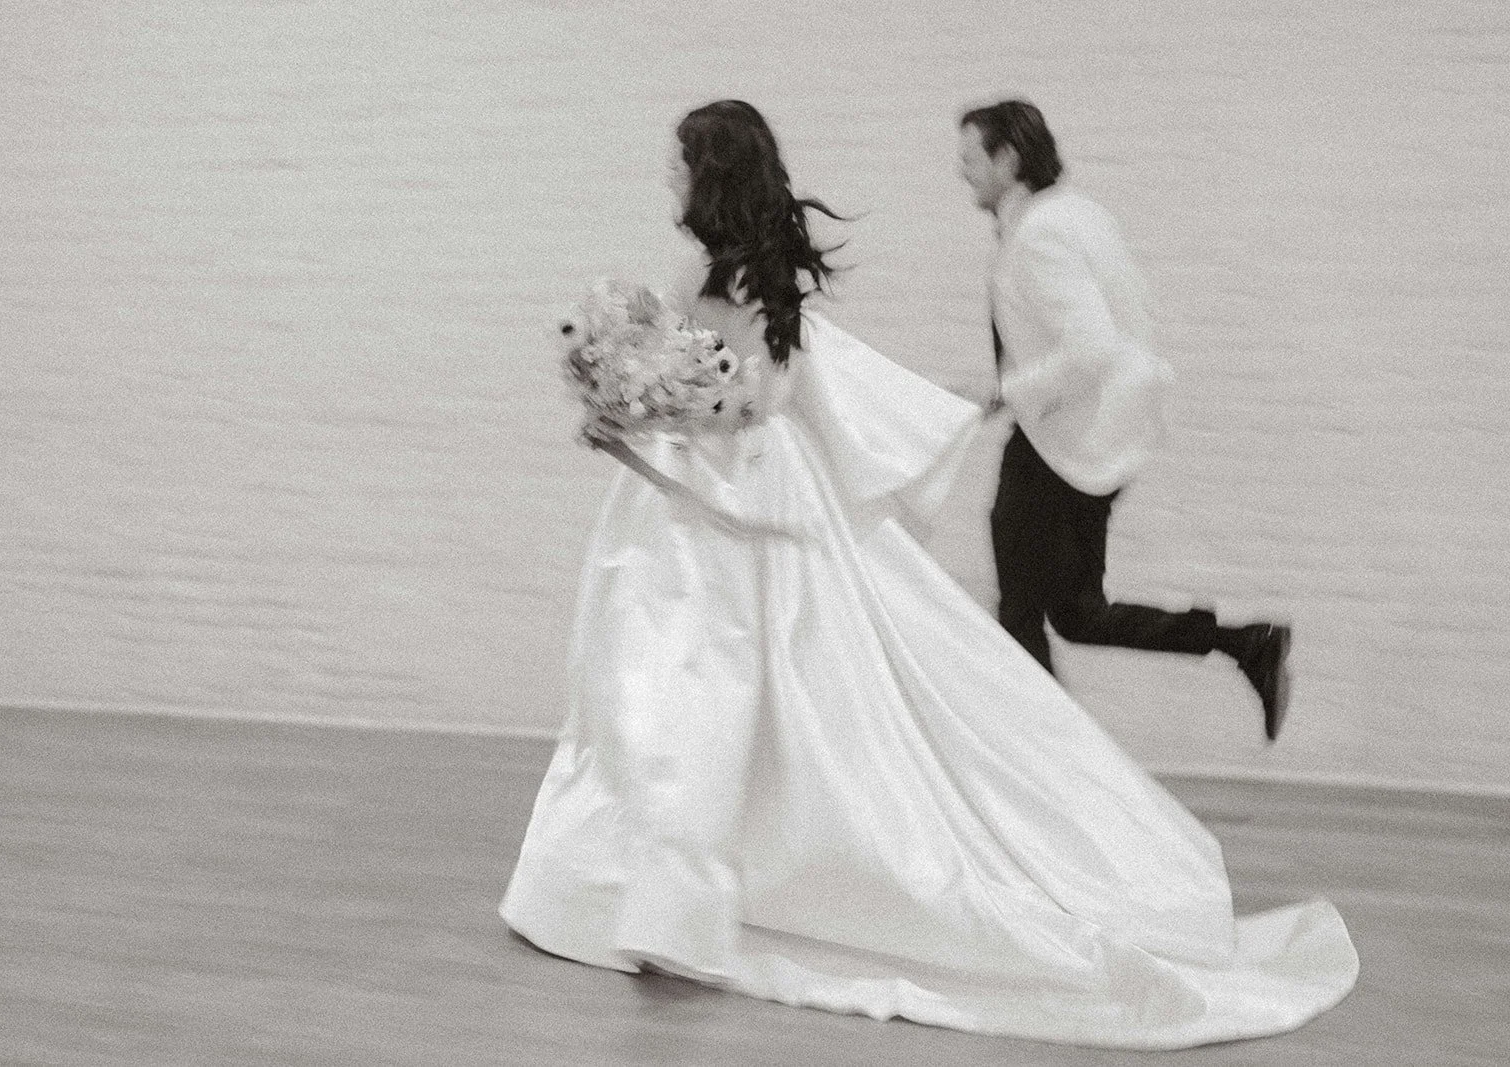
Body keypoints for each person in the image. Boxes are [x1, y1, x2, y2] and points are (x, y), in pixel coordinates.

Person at [500, 99, 1357, 1050]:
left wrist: (663, 403)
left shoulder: (761, 275)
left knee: (722, 685)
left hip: (744, 507)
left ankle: (688, 897)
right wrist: (627, 404)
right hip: (689, 505)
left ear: (712, 174)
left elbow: (755, 397)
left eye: (676, 163)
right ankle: (652, 883)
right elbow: (703, 377)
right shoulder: (706, 266)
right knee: (661, 691)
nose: (664, 177)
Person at [960, 99, 1293, 740]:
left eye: (971, 157)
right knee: (1077, 615)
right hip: (1099, 439)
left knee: (1022, 613)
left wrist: (1006, 393)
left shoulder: (1038, 237)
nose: (962, 171)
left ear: (1008, 159)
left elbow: (1092, 348)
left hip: (1060, 441)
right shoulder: (1073, 215)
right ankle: (1249, 643)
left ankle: (1050, 766)